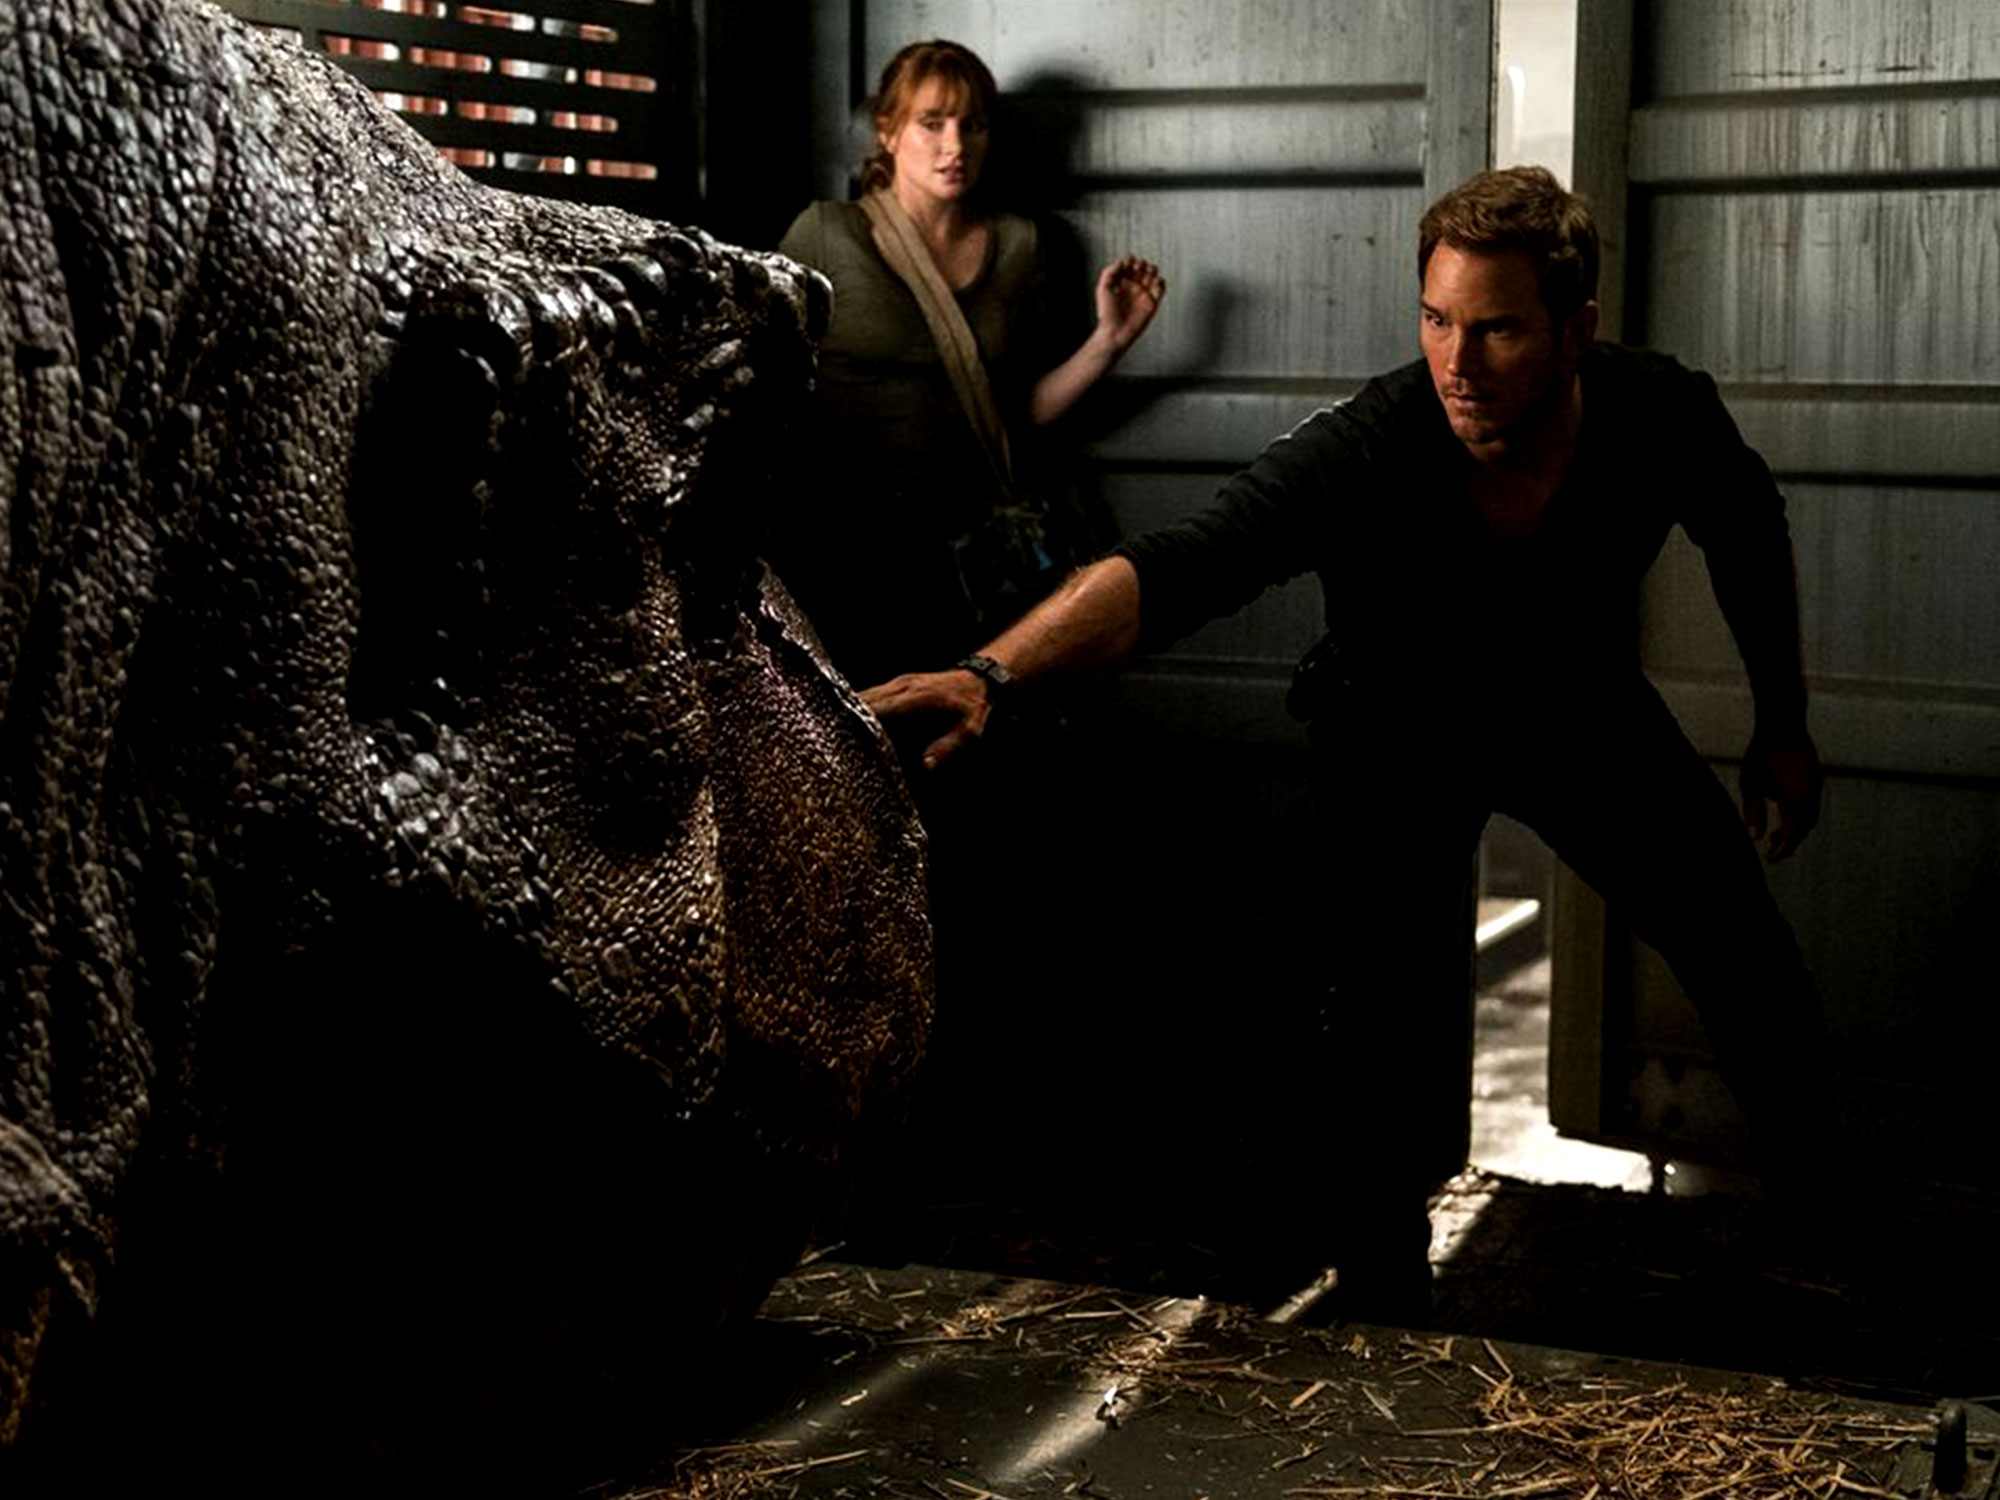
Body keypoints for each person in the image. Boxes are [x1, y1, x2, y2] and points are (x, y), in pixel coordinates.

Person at [861, 165, 1831, 1324]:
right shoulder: (1370, 445)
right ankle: (1381, 1293)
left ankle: (1826, 1241)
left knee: (1738, 942)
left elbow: (1745, 530)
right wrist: (989, 675)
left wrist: (1780, 723)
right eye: (1435, 321)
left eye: (1495, 330)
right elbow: (1181, 565)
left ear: (1575, 330)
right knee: (1372, 1013)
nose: (1457, 363)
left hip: (1574, 708)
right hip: (1395, 725)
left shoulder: (1655, 410)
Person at [771, 39, 1165, 691]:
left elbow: (1018, 414)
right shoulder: (825, 234)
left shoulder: (1020, 245)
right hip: (848, 550)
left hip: (972, 561)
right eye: (931, 123)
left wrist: (1109, 341)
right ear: (888, 132)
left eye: (972, 125)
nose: (954, 145)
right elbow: (762, 381)